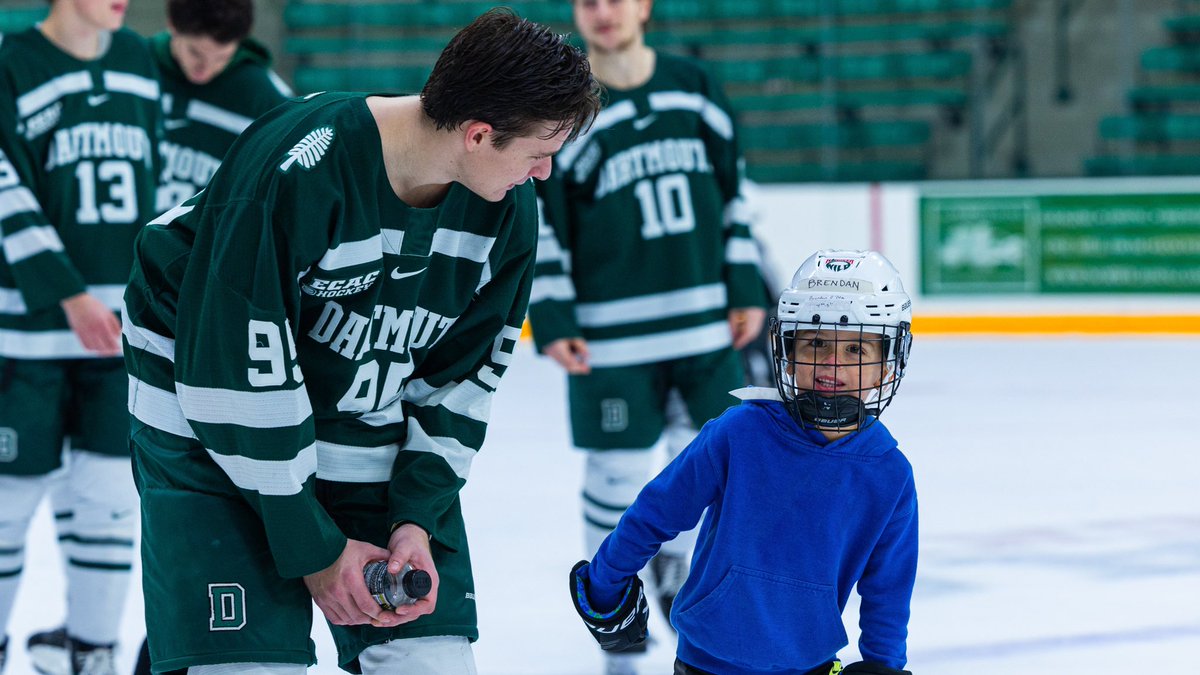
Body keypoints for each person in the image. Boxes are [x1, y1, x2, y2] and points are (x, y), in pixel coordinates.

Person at [122, 9, 599, 674]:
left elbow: (462, 382)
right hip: (207, 402)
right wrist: (314, 548)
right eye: (539, 152)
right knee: (246, 663)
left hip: (357, 404)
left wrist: (415, 518)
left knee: (430, 659)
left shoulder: (508, 212)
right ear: (479, 134)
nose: (545, 172)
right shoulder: (304, 165)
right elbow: (226, 373)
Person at [526, 0, 767, 670]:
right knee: (617, 476)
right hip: (612, 339)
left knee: (718, 475)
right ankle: (619, 637)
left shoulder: (695, 89)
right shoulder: (560, 108)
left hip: (704, 327)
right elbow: (541, 218)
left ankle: (700, 614)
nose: (603, 11)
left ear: (645, 5)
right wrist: (551, 312)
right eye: (588, 1)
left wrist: (744, 279)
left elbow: (736, 191)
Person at [568, 249, 919, 675]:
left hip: (808, 667)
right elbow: (656, 510)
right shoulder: (740, 432)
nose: (831, 364)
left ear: (888, 362)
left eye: (855, 349)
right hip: (705, 664)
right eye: (817, 342)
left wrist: (886, 667)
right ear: (787, 349)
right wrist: (606, 582)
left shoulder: (889, 474)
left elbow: (889, 590)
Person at [0, 0, 162, 673]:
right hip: (25, 333)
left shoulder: (139, 61)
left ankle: (92, 652)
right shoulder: (12, 63)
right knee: (7, 505)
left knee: (107, 503)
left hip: (115, 334)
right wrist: (65, 290)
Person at [152, 0, 293, 212]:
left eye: (221, 58)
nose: (205, 70)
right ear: (172, 25)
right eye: (195, 53)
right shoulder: (136, 66)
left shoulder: (264, 96)